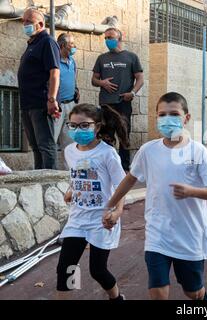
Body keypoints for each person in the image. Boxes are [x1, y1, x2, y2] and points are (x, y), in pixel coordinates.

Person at [104, 92, 207, 300]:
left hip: (189, 235)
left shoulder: (198, 151)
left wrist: (191, 191)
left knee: (193, 292)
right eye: (162, 114)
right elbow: (130, 179)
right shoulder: (148, 150)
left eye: (174, 114)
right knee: (158, 291)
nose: (167, 119)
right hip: (157, 233)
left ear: (186, 118)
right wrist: (111, 205)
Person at [56, 104, 129, 300]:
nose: (78, 130)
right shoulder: (70, 151)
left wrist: (117, 212)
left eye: (84, 125)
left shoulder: (107, 153)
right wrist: (71, 190)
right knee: (66, 267)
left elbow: (122, 186)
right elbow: (77, 175)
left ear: (97, 126)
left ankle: (116, 298)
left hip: (102, 219)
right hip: (78, 218)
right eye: (73, 125)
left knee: (97, 270)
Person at [92, 27, 144, 171]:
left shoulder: (131, 57)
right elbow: (94, 79)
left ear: (120, 38)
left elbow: (140, 79)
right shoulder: (102, 58)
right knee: (106, 137)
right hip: (106, 104)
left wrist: (132, 93)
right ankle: (107, 167)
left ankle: (124, 168)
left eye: (111, 37)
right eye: (106, 38)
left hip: (123, 104)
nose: (108, 40)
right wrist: (102, 83)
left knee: (123, 137)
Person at [18, 8, 60, 169]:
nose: (25, 24)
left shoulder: (47, 42)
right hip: (28, 103)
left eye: (28, 21)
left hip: (41, 103)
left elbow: (55, 72)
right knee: (36, 147)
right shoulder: (32, 43)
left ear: (40, 24)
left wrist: (52, 98)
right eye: (24, 21)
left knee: (46, 146)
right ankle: (39, 180)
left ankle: (50, 183)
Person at [54, 33, 80, 152]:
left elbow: (73, 79)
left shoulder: (72, 62)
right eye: (72, 44)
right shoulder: (54, 61)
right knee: (52, 139)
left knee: (70, 142)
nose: (75, 46)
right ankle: (48, 170)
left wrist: (76, 90)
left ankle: (68, 170)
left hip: (70, 105)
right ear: (63, 45)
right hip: (57, 106)